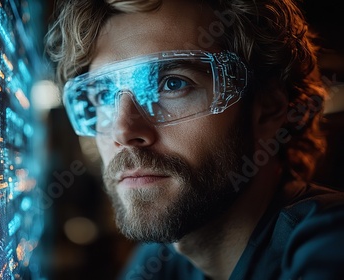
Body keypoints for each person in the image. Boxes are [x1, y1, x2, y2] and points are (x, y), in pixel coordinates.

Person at [45, 0, 344, 279]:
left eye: (173, 84)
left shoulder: (329, 241)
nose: (123, 131)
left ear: (268, 109)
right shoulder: (158, 261)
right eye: (104, 95)